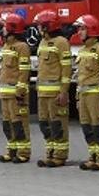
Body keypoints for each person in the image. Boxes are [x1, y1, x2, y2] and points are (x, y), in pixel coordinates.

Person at [73, 15, 99, 171]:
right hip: (83, 96)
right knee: (87, 128)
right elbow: (80, 77)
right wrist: (78, 97)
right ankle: (93, 156)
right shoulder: (82, 51)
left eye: (82, 29)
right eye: (79, 29)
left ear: (92, 30)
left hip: (95, 96)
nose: (79, 32)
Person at [32, 12, 73, 168]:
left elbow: (66, 68)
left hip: (55, 93)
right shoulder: (43, 42)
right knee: (45, 124)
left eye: (39, 25)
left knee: (57, 124)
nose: (37, 27)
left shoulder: (61, 42)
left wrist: (64, 91)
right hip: (42, 92)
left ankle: (60, 155)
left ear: (47, 26)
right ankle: (50, 152)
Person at [0, 11, 33, 163]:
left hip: (16, 94)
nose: (2, 29)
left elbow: (24, 71)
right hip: (5, 93)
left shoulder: (22, 47)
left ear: (12, 28)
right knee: (7, 123)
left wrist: (20, 91)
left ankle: (23, 152)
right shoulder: (6, 46)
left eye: (4, 26)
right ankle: (11, 150)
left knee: (19, 123)